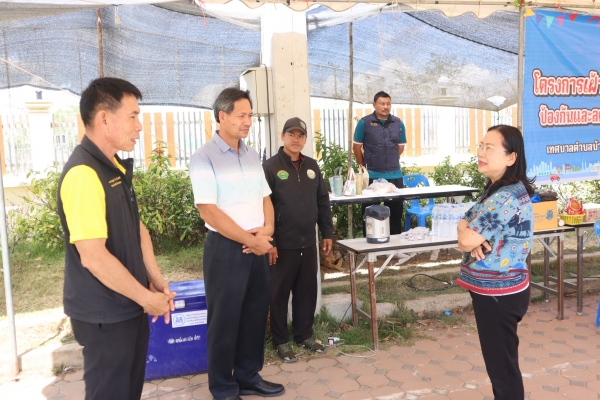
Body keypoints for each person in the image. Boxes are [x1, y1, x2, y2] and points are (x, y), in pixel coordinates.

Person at [57, 77, 175, 400]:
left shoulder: (113, 167)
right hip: (105, 315)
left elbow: (138, 228)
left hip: (129, 304)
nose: (139, 126)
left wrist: (154, 279)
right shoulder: (84, 174)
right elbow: (93, 257)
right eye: (133, 116)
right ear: (104, 118)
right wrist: (146, 298)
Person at [189, 88, 284, 400]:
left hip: (257, 245)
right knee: (224, 320)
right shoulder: (204, 157)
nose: (248, 121)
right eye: (242, 115)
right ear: (222, 116)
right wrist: (250, 240)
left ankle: (247, 377)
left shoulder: (252, 154)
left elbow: (265, 197)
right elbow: (209, 211)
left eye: (250, 115)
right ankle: (223, 387)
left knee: (255, 314)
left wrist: (267, 231)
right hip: (226, 249)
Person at [456, 125, 535, 400]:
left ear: (511, 157)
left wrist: (469, 238)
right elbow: (464, 221)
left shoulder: (504, 197)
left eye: (489, 148)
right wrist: (469, 235)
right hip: (500, 291)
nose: (481, 152)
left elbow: (465, 240)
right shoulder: (498, 189)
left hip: (499, 294)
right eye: (481, 146)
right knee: (501, 366)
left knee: (503, 371)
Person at [262, 117, 334, 363]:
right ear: (282, 136)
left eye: (300, 135)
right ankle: (281, 341)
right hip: (282, 244)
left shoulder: (312, 166)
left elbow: (322, 201)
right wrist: (270, 241)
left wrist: (327, 233)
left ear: (305, 139)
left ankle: (304, 335)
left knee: (306, 291)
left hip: (308, 243)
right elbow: (263, 206)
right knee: (279, 294)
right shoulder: (270, 167)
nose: (296, 139)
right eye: (291, 134)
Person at [352, 91, 407, 235]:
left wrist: (390, 158)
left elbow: (400, 147)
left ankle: (394, 245)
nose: (385, 107)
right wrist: (363, 167)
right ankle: (370, 244)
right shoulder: (364, 123)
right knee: (369, 214)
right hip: (372, 176)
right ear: (374, 105)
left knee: (395, 214)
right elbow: (356, 147)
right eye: (382, 103)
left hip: (394, 176)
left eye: (388, 104)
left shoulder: (398, 123)